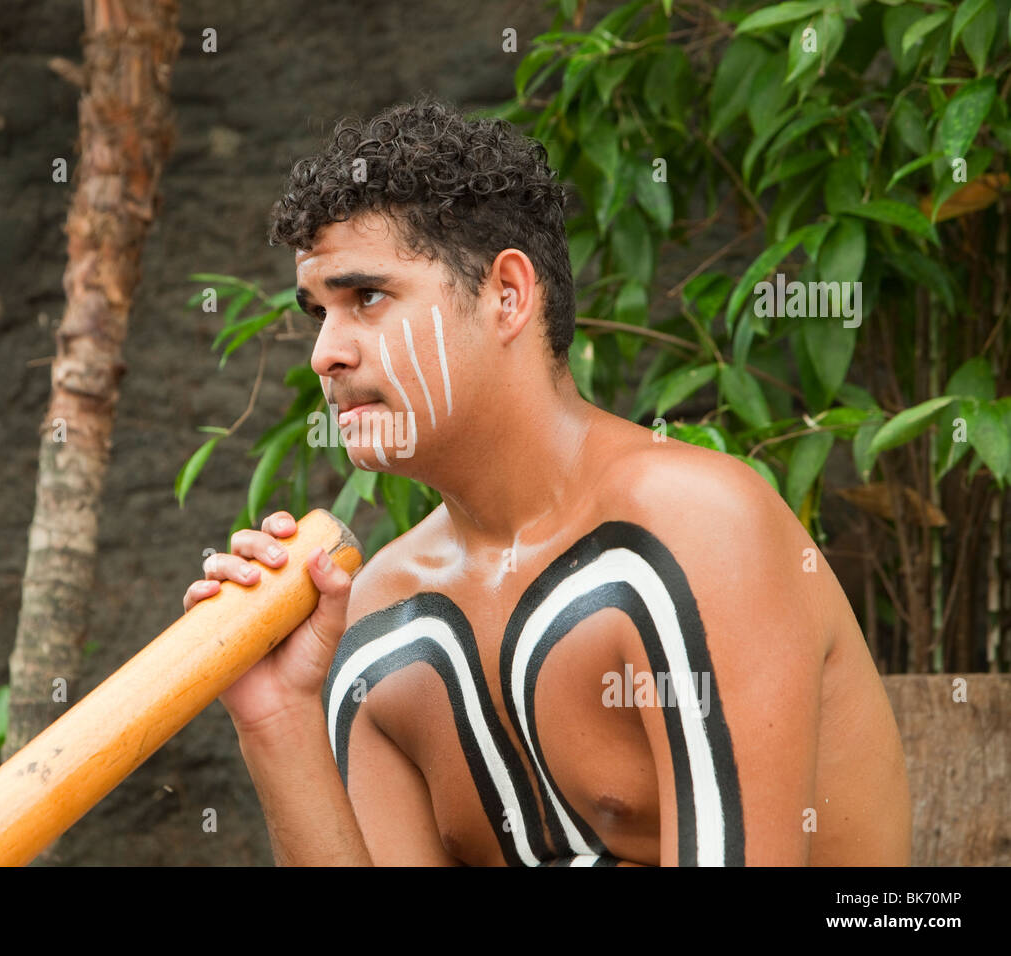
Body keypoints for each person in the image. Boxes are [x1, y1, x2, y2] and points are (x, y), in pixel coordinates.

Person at [182, 95, 911, 866]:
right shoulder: (375, 623)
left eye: (367, 297)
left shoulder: (693, 526)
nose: (324, 354)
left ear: (507, 294)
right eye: (317, 312)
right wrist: (279, 716)